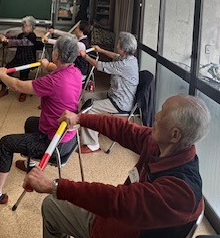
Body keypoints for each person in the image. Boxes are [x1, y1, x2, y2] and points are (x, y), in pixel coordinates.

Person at [23, 94, 210, 238]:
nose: (157, 115)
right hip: (118, 220)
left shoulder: (181, 192)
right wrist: (80, 119)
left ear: (175, 135)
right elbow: (124, 130)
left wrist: (53, 186)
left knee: (51, 206)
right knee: (56, 203)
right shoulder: (163, 146)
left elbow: (117, 201)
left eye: (163, 114)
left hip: (119, 229)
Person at [0, 35, 83, 205]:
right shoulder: (75, 72)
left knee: (5, 143)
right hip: (69, 138)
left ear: (56, 55)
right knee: (31, 122)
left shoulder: (52, 81)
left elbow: (17, 86)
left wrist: (2, 74)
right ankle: (30, 164)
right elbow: (57, 68)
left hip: (54, 143)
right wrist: (47, 65)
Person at [78, 31, 139, 153]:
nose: (117, 45)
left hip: (120, 102)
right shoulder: (129, 58)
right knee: (87, 97)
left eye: (119, 44)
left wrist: (85, 57)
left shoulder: (125, 65)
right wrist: (101, 50)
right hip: (113, 94)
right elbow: (115, 56)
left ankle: (93, 144)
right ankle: (93, 128)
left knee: (90, 109)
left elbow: (100, 66)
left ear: (124, 49)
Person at [0, 15, 38, 102]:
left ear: (30, 27)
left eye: (24, 26)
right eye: (22, 25)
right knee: (7, 70)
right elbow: (14, 39)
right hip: (18, 58)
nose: (22, 27)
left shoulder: (32, 36)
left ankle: (23, 92)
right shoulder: (21, 35)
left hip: (27, 60)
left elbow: (22, 42)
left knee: (24, 75)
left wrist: (8, 41)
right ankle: (4, 89)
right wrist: (3, 37)